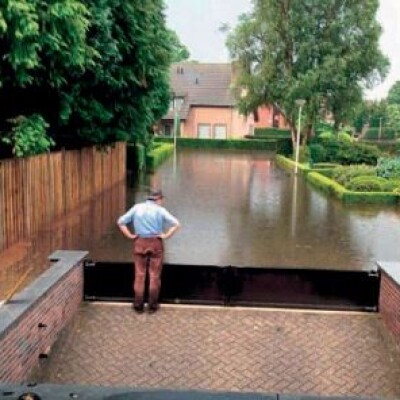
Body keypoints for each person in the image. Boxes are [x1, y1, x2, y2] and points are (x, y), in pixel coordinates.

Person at [117, 189, 181, 314]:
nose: (162, 202)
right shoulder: (160, 210)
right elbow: (177, 224)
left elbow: (120, 222)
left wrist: (130, 235)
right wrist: (166, 235)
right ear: (157, 199)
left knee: (140, 275)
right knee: (154, 276)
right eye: (161, 200)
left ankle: (138, 305)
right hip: (155, 242)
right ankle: (152, 305)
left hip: (140, 241)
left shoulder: (136, 208)